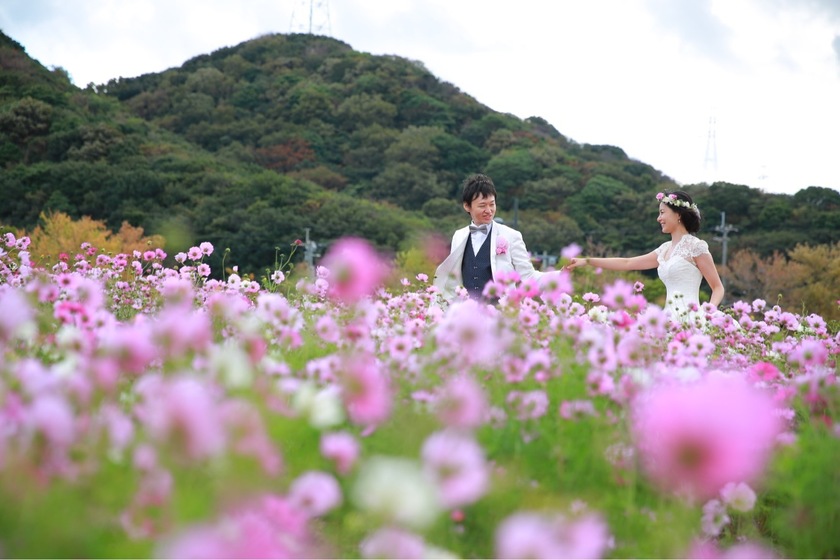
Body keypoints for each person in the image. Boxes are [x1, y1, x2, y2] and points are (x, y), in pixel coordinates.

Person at [564, 190, 724, 319]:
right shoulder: (664, 249)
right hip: (668, 317)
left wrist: (708, 312)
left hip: (693, 317)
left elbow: (717, 287)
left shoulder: (696, 246)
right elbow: (627, 263)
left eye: (662, 213)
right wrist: (586, 260)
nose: (658, 218)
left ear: (678, 215)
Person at [433, 173, 549, 302]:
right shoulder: (459, 236)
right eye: (482, 206)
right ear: (467, 206)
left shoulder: (511, 236)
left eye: (492, 204)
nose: (489, 210)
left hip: (500, 315)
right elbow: (453, 278)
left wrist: (561, 275)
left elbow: (529, 276)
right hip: (466, 315)